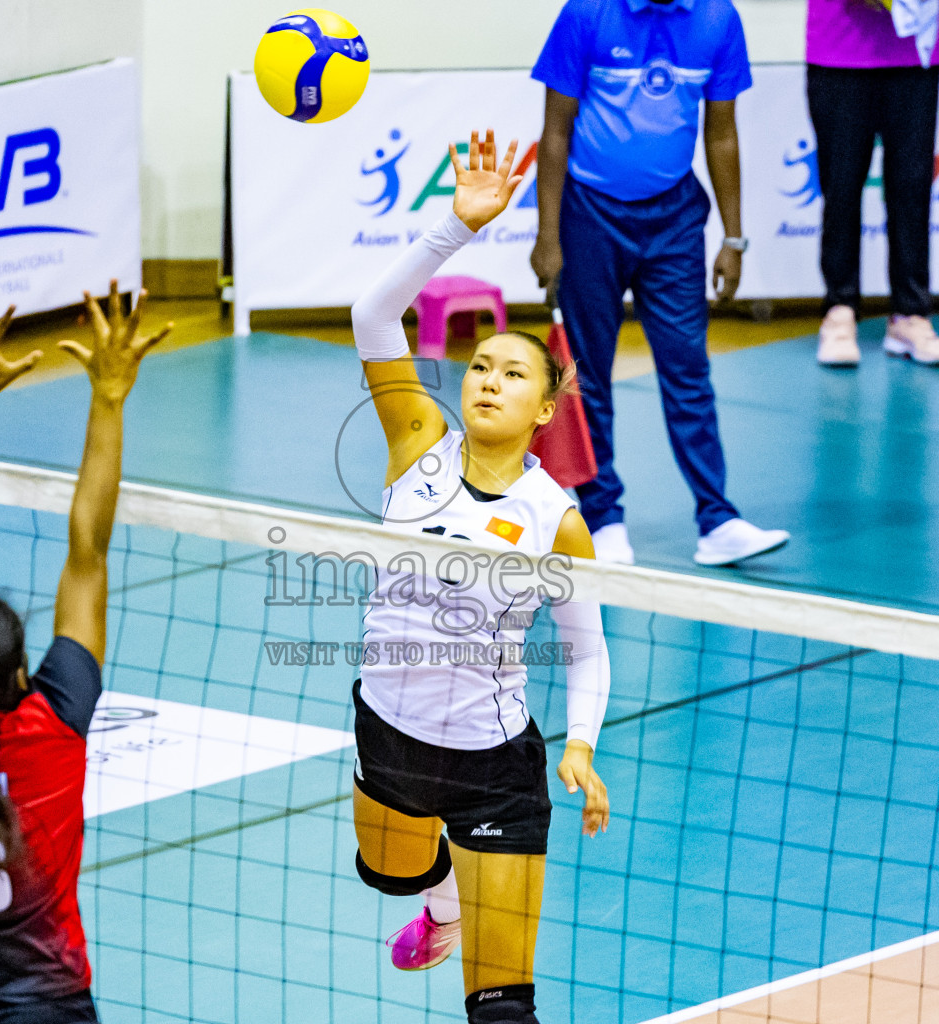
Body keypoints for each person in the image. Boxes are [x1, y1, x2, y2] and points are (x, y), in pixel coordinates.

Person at [348, 130, 612, 1024]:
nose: (487, 381)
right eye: (480, 367)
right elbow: (372, 320)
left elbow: (587, 654)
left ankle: (474, 900)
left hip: (497, 763)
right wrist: (454, 229)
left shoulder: (557, 518)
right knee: (391, 874)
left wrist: (580, 743)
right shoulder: (415, 442)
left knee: (500, 1008)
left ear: (545, 410)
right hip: (388, 726)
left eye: (513, 375)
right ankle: (442, 900)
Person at [0, 286, 166, 1024]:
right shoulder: (54, 724)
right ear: (21, 675)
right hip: (40, 1004)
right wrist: (108, 397)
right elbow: (88, 553)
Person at [529, 0, 789, 568]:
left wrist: (734, 238)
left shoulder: (718, 19)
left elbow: (722, 135)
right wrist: (549, 236)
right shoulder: (587, 14)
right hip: (589, 214)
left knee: (688, 367)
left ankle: (717, 520)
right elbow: (554, 132)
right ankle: (602, 516)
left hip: (674, 217)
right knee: (589, 373)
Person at [807, 0, 939, 367]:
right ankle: (839, 310)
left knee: (912, 187)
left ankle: (911, 315)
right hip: (838, 49)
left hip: (914, 48)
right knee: (840, 186)